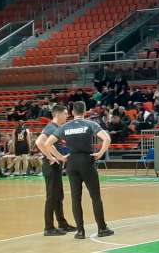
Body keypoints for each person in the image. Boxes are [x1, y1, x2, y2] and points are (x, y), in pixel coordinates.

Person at [42, 102, 113, 240]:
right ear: (85, 112)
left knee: (76, 198)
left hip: (72, 163)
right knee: (95, 197)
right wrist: (100, 153)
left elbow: (47, 143)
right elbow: (107, 139)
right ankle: (102, 228)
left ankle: (80, 232)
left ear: (73, 113)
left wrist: (61, 157)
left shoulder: (64, 127)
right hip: (87, 161)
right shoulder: (90, 124)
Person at [35, 105, 76, 236]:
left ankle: (62, 224)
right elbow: (39, 142)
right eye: (65, 113)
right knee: (52, 197)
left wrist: (59, 157)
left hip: (56, 166)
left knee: (58, 196)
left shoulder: (57, 127)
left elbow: (50, 145)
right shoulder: (51, 127)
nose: (67, 116)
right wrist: (51, 157)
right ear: (57, 115)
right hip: (50, 166)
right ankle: (48, 228)